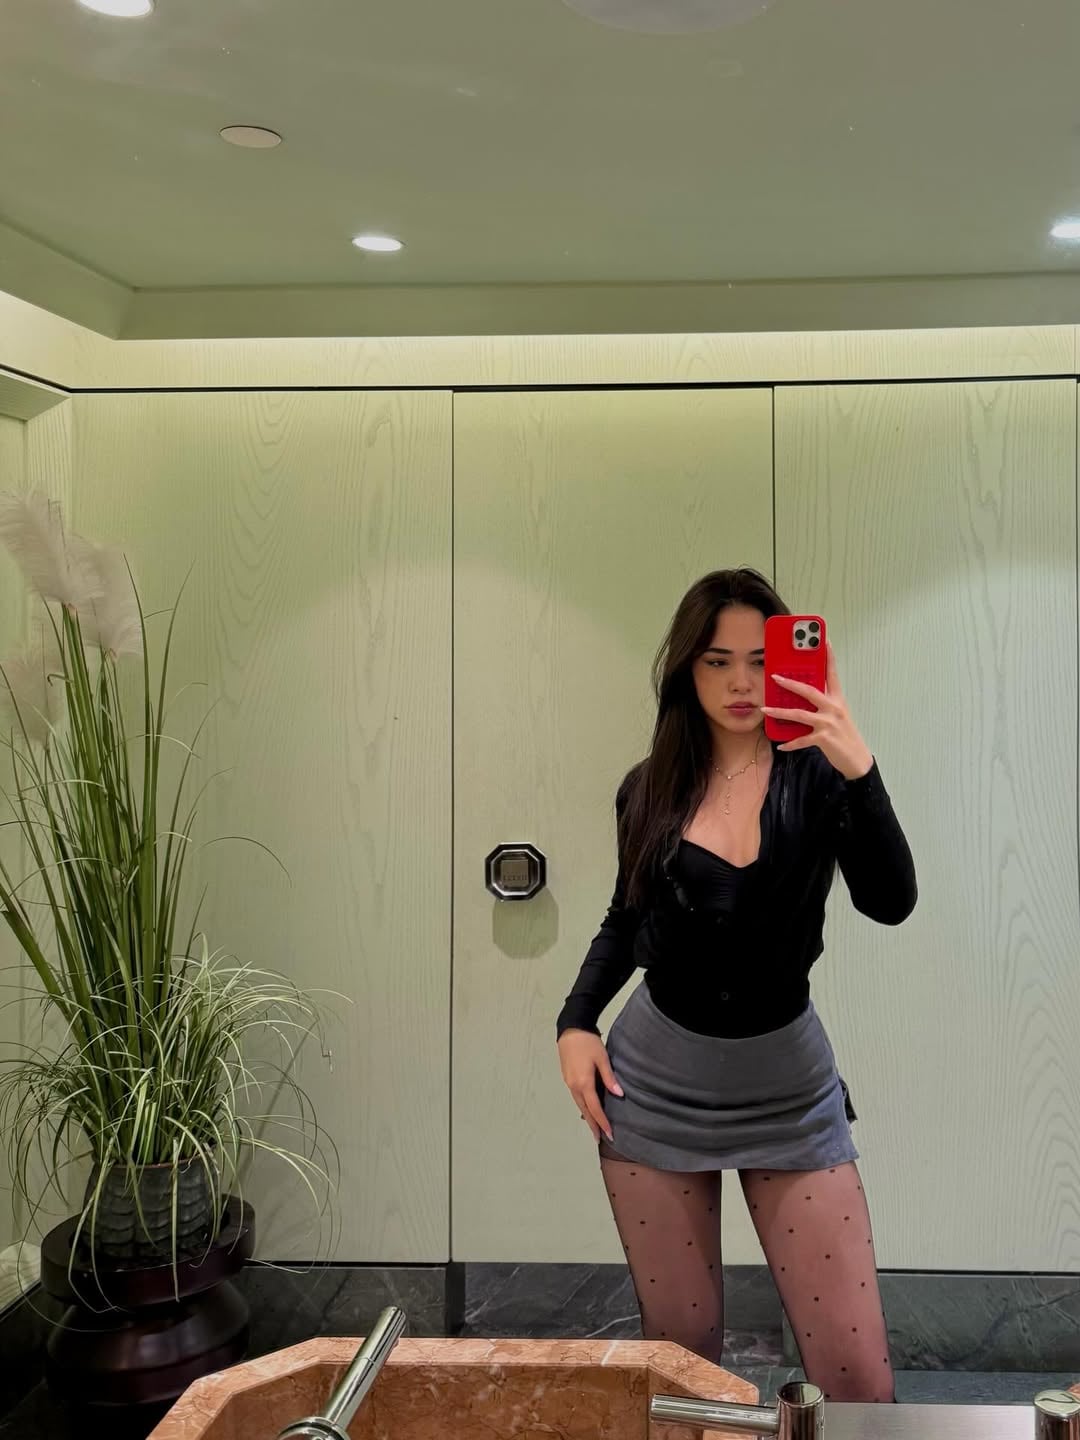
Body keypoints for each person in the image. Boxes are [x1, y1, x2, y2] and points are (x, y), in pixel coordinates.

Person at [556, 568, 916, 1403]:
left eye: (760, 660)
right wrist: (576, 1022)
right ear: (687, 669)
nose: (741, 682)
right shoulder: (648, 787)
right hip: (654, 1089)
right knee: (685, 1371)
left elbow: (891, 902)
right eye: (718, 661)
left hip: (788, 1091)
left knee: (857, 1378)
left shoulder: (821, 778)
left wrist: (859, 766)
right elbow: (625, 919)